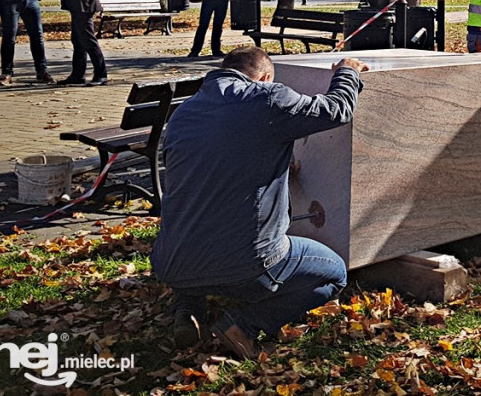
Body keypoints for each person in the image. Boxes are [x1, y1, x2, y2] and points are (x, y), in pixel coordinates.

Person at [151, 45, 369, 359]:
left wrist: (276, 165)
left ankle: (188, 310)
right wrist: (347, 71)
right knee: (334, 272)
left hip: (170, 260)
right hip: (245, 265)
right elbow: (336, 110)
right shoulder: (267, 98)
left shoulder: (185, 112)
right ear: (264, 77)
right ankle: (242, 325)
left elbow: (217, 161)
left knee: (195, 234)